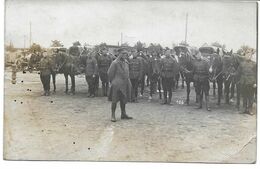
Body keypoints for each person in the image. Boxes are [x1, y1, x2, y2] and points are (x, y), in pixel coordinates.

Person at [108, 48, 133, 122]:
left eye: (126, 53)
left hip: (125, 83)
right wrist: (113, 82)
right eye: (123, 53)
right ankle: (113, 115)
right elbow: (110, 74)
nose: (125, 55)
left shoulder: (126, 62)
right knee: (114, 100)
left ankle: (123, 114)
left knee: (124, 99)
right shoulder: (115, 63)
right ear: (119, 54)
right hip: (117, 84)